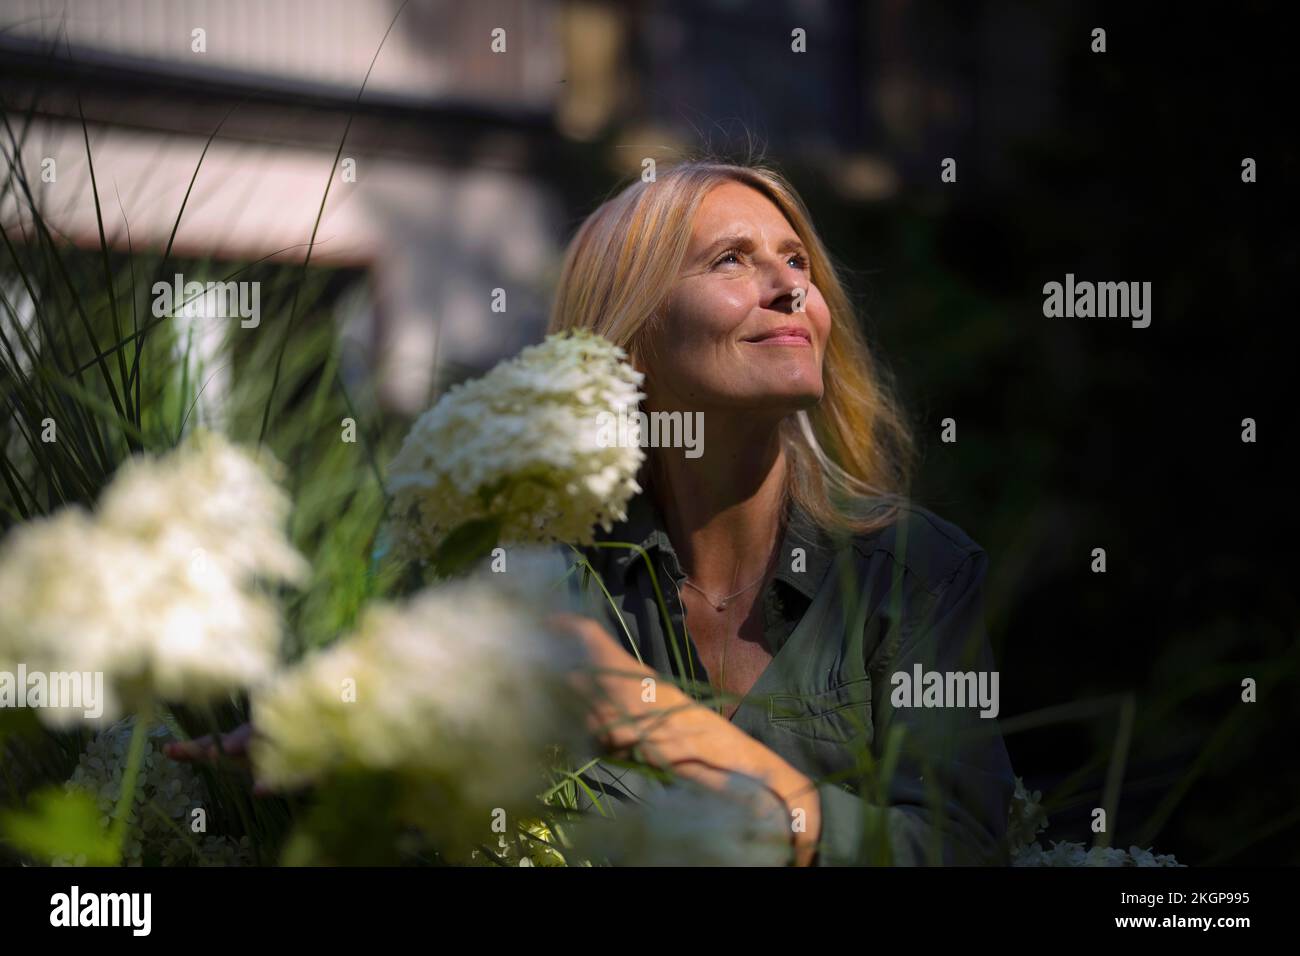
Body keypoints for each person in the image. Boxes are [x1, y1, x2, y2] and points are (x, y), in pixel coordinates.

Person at [171, 159, 1016, 866]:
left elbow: (958, 849)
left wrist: (657, 720)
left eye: (798, 262)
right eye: (732, 260)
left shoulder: (916, 573)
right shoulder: (542, 569)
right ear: (634, 331)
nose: (790, 288)